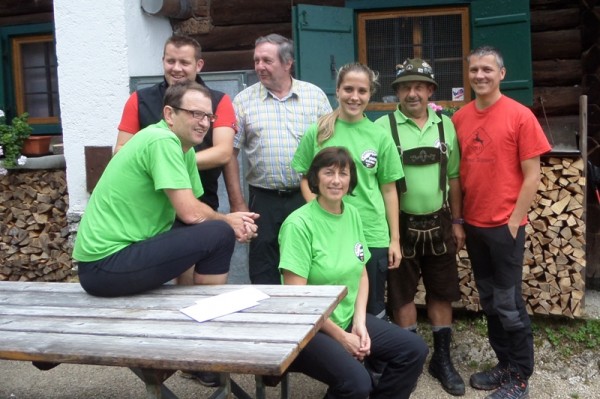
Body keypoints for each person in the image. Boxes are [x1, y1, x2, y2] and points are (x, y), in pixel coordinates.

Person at [73, 82, 258, 312]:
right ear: (169, 114)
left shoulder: (185, 149)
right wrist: (229, 221)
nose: (203, 123)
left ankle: (197, 305)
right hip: (103, 266)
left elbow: (194, 216)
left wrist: (235, 222)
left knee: (211, 228)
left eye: (208, 117)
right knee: (220, 232)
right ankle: (209, 310)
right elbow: (191, 213)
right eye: (195, 114)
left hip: (122, 256)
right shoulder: (162, 140)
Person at [279, 146, 428, 399]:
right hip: (309, 329)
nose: (336, 180)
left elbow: (361, 273)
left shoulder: (353, 215)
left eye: (343, 173)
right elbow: (299, 301)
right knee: (357, 383)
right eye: (329, 173)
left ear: (351, 180)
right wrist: (343, 337)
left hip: (347, 317)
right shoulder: (298, 224)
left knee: (413, 349)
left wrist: (359, 322)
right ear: (315, 178)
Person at [452, 46, 551, 399]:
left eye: (487, 70)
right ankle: (504, 365)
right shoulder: (460, 118)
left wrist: (513, 221)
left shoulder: (520, 116)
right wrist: (459, 220)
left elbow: (533, 175)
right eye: (474, 70)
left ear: (502, 74)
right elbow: (457, 176)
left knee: (509, 303)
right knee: (490, 301)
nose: (480, 75)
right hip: (474, 225)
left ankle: (521, 377)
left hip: (504, 227)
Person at [374, 58, 465, 396]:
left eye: (419, 86)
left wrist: (457, 221)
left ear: (430, 91)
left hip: (440, 220)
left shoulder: (446, 125)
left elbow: (454, 177)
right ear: (397, 92)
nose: (412, 93)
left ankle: (442, 359)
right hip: (399, 224)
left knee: (442, 290)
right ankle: (409, 359)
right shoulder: (382, 127)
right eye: (405, 87)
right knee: (401, 293)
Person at [292, 62, 403, 320]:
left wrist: (394, 239)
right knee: (333, 306)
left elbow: (388, 190)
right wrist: (317, 216)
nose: (355, 97)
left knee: (372, 307)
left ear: (370, 94)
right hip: (328, 232)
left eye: (362, 91)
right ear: (338, 91)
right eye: (349, 89)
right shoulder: (319, 131)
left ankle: (371, 358)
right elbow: (305, 178)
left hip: (372, 232)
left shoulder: (379, 136)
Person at [224, 33, 332, 284]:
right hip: (263, 199)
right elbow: (230, 154)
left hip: (306, 196)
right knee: (264, 267)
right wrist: (238, 204)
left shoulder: (314, 97)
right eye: (256, 60)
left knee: (310, 259)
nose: (259, 66)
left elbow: (330, 150)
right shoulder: (243, 101)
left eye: (266, 60)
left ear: (287, 63)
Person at [115, 35, 236, 212]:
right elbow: (120, 150)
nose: (176, 68)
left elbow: (223, 153)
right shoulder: (138, 100)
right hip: (147, 206)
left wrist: (169, 162)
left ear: (199, 65)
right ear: (163, 61)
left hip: (201, 201)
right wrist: (164, 163)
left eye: (184, 63)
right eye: (170, 61)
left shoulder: (220, 101)